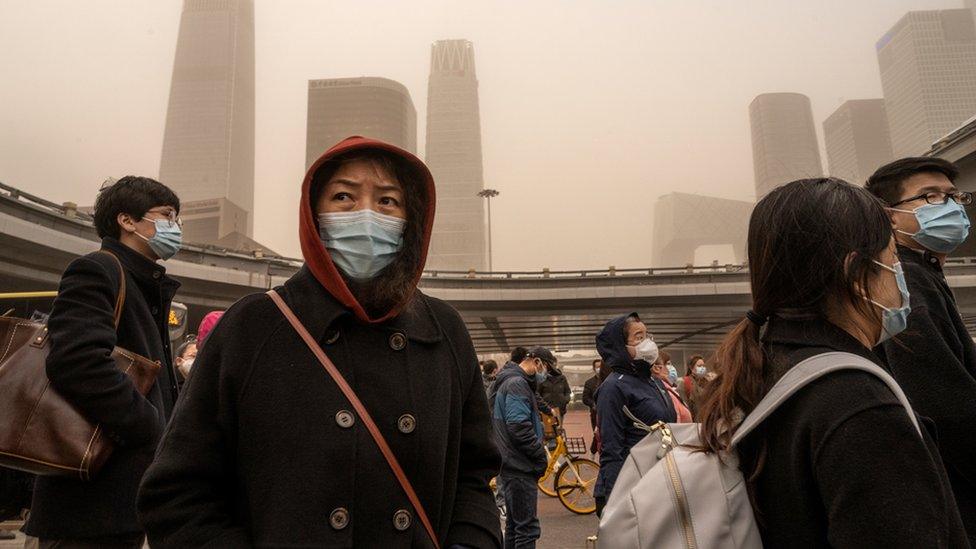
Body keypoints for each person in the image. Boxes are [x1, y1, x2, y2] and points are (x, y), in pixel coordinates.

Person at [137, 137, 501, 548]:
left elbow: (474, 476)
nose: (366, 214)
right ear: (314, 215)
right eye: (344, 196)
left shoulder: (443, 330)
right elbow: (176, 493)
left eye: (387, 201)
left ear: (410, 220)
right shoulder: (253, 327)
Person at [696, 178, 967, 547]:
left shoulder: (762, 369)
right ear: (857, 274)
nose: (900, 275)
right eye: (893, 259)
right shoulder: (861, 405)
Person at [24, 176, 182, 548]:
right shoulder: (98, 269)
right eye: (167, 216)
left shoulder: (144, 286)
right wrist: (152, 427)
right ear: (127, 221)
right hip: (89, 502)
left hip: (119, 501)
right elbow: (77, 362)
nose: (175, 229)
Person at [865, 157, 976, 542]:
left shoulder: (924, 272)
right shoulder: (908, 281)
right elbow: (944, 403)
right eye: (929, 197)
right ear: (889, 216)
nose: (949, 207)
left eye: (953, 196)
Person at [593, 313, 676, 516]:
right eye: (639, 337)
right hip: (633, 486)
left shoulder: (652, 381)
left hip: (657, 481)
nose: (647, 342)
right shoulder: (613, 388)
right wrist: (616, 503)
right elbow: (612, 449)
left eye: (647, 336)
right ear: (621, 345)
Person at [488, 347, 554, 549]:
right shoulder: (517, 384)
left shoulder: (509, 381)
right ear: (536, 362)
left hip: (510, 461)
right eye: (547, 368)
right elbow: (518, 426)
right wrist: (539, 455)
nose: (546, 373)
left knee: (515, 525)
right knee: (527, 529)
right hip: (520, 463)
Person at [651, 351, 692, 423]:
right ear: (656, 368)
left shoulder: (668, 389)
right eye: (667, 364)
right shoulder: (660, 391)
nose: (671, 368)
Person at [581, 359, 602, 453]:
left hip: (608, 412)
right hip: (595, 413)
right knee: (596, 433)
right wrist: (593, 404)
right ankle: (593, 452)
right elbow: (585, 398)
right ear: (594, 368)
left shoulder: (608, 380)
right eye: (597, 367)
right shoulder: (589, 383)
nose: (599, 369)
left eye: (601, 366)